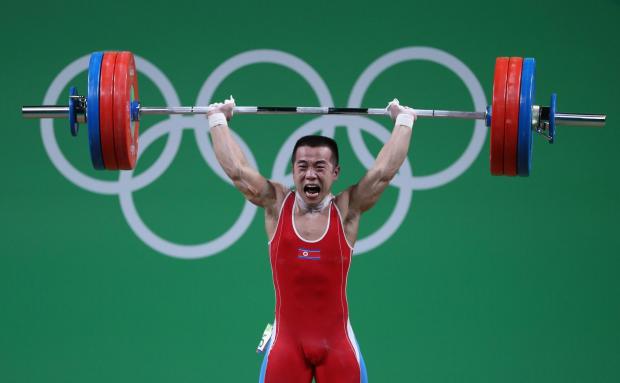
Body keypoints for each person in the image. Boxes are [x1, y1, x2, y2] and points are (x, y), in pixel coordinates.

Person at [207, 97, 416, 383]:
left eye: (320, 166)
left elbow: (382, 174)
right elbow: (238, 172)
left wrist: (404, 122)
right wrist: (218, 120)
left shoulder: (346, 210)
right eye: (302, 166)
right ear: (293, 170)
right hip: (286, 346)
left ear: (335, 172)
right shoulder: (276, 205)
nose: (310, 174)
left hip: (338, 347)